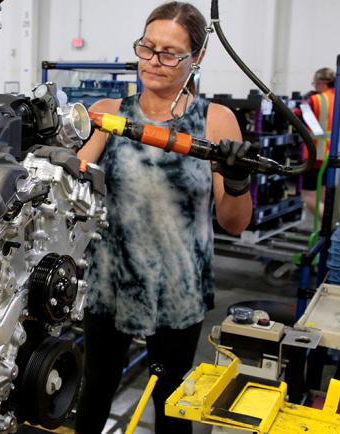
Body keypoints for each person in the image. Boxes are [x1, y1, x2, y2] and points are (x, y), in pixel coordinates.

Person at [74, 2, 252, 433]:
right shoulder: (109, 112)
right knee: (94, 392)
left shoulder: (215, 121)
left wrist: (238, 180)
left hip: (178, 289)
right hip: (110, 283)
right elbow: (70, 190)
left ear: (198, 58)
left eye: (170, 53)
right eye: (147, 48)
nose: (154, 62)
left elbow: (235, 223)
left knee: (173, 405)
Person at [300, 67, 336, 218]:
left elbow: (297, 117)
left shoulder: (316, 100)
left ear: (321, 82)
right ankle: (327, 227)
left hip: (317, 155)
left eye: (315, 83)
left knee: (309, 198)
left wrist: (303, 104)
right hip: (334, 155)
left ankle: (328, 225)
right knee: (325, 196)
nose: (314, 86)